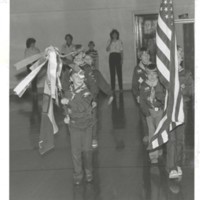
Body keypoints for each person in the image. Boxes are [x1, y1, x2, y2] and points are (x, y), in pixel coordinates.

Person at [61, 65, 94, 185]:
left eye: (82, 76)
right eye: (76, 76)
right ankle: (78, 174)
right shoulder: (68, 92)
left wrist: (68, 102)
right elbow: (65, 107)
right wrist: (66, 116)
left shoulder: (86, 92)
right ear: (71, 78)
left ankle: (89, 172)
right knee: (75, 152)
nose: (80, 78)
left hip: (86, 125)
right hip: (74, 126)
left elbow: (82, 107)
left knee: (87, 151)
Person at [166, 46, 194, 179]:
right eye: (176, 55)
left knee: (180, 138)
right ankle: (170, 166)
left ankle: (177, 163)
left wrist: (181, 91)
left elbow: (192, 91)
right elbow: (161, 93)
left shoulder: (187, 74)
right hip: (170, 110)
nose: (179, 57)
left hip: (183, 110)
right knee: (171, 138)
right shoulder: (167, 74)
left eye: (180, 55)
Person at [139, 64, 165, 164]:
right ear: (146, 75)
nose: (152, 76)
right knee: (152, 133)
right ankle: (153, 154)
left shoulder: (161, 84)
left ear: (158, 75)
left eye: (154, 74)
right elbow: (142, 101)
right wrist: (146, 113)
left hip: (160, 111)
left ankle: (159, 147)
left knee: (160, 131)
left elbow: (164, 98)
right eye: (149, 74)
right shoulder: (144, 85)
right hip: (149, 112)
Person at [132, 47, 151, 143]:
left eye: (148, 54)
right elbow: (134, 85)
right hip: (142, 96)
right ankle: (146, 134)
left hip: (152, 96)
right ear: (140, 57)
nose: (146, 56)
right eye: (144, 55)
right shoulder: (137, 69)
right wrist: (137, 96)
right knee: (144, 116)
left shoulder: (153, 66)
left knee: (153, 115)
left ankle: (154, 133)